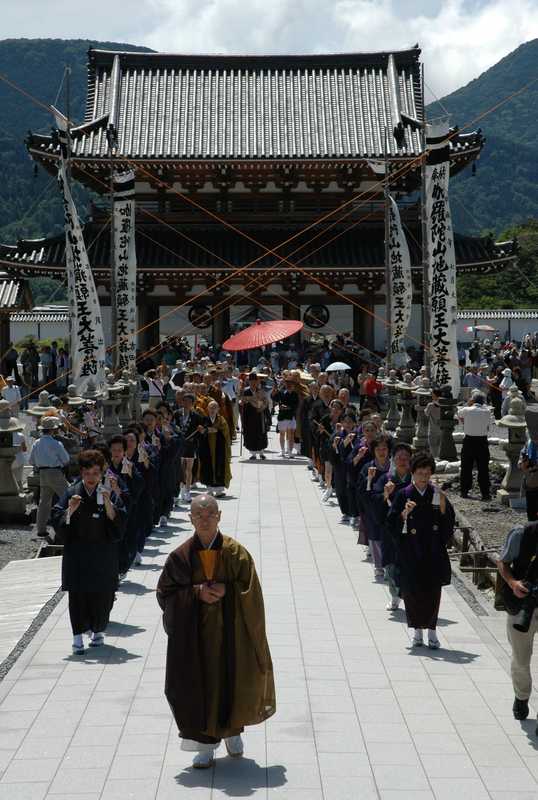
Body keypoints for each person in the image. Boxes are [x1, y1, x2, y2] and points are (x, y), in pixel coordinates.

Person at [156, 493, 276, 769]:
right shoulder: (180, 557)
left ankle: (233, 732)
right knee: (201, 687)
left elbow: (251, 591)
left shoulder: (235, 553)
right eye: (199, 514)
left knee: (233, 682)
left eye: (210, 513)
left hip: (232, 635)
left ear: (219, 516)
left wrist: (228, 590)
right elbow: (165, 594)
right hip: (196, 638)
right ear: (190, 519)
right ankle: (206, 746)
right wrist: (195, 593)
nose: (205, 519)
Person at [52, 449, 126, 654]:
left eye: (95, 473)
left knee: (103, 594)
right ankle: (77, 637)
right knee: (77, 595)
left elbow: (119, 522)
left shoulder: (106, 491)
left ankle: (98, 630)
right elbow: (57, 518)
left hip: (103, 552)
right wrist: (71, 510)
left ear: (101, 473)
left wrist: (109, 502)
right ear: (81, 473)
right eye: (87, 474)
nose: (91, 478)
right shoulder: (72, 492)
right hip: (78, 553)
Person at [387, 452, 455, 649]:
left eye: (427, 473)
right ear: (413, 473)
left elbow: (447, 523)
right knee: (412, 591)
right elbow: (390, 523)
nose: (424, 477)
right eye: (420, 473)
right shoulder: (404, 494)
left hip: (433, 550)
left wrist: (443, 507)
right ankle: (417, 631)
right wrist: (404, 513)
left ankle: (432, 631)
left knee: (433, 591)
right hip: (411, 549)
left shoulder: (437, 494)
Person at [497, 520, 538, 725]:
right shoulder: (521, 533)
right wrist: (513, 583)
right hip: (523, 603)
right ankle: (522, 696)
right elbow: (503, 562)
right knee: (521, 659)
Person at [30, 416, 70, 538]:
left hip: (42, 473)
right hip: (55, 472)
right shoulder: (56, 443)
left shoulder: (36, 443)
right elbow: (66, 460)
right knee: (69, 497)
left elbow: (31, 461)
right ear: (53, 430)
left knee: (44, 502)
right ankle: (70, 524)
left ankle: (41, 529)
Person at [457, 391, 492, 500]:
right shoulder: (487, 412)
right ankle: (485, 493)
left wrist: (468, 403)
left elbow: (458, 414)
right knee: (483, 468)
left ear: (473, 400)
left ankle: (464, 491)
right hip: (482, 441)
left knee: (466, 467)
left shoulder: (466, 410)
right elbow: (488, 427)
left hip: (469, 440)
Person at [198, 400, 232, 497]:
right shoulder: (204, 419)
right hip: (207, 448)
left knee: (219, 466)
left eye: (214, 408)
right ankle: (209, 489)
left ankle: (219, 490)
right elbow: (201, 431)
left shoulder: (221, 420)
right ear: (207, 409)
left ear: (218, 409)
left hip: (219, 448)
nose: (212, 410)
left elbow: (225, 433)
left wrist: (215, 430)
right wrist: (204, 431)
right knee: (207, 466)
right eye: (211, 408)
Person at [240, 373, 268, 460]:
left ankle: (261, 452)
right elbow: (241, 401)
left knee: (260, 433)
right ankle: (253, 454)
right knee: (250, 433)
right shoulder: (245, 391)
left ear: (257, 381)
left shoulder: (261, 391)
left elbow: (265, 402)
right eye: (251, 381)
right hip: (249, 415)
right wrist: (242, 402)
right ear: (249, 381)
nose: (253, 383)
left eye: (254, 381)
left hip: (259, 414)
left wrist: (262, 407)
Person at [272, 375, 300, 458]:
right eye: (287, 383)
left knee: (291, 434)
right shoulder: (281, 392)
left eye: (290, 384)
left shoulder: (295, 394)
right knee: (282, 434)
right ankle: (282, 450)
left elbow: (296, 405)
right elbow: (275, 399)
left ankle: (290, 451)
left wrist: (288, 407)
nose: (288, 385)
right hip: (282, 416)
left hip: (291, 416)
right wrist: (274, 392)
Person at [424, 388, 442, 459]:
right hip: (441, 429)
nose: (431, 395)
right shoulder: (444, 404)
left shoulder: (430, 405)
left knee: (433, 448)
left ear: (434, 395)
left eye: (432, 394)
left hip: (432, 429)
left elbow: (426, 413)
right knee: (439, 447)